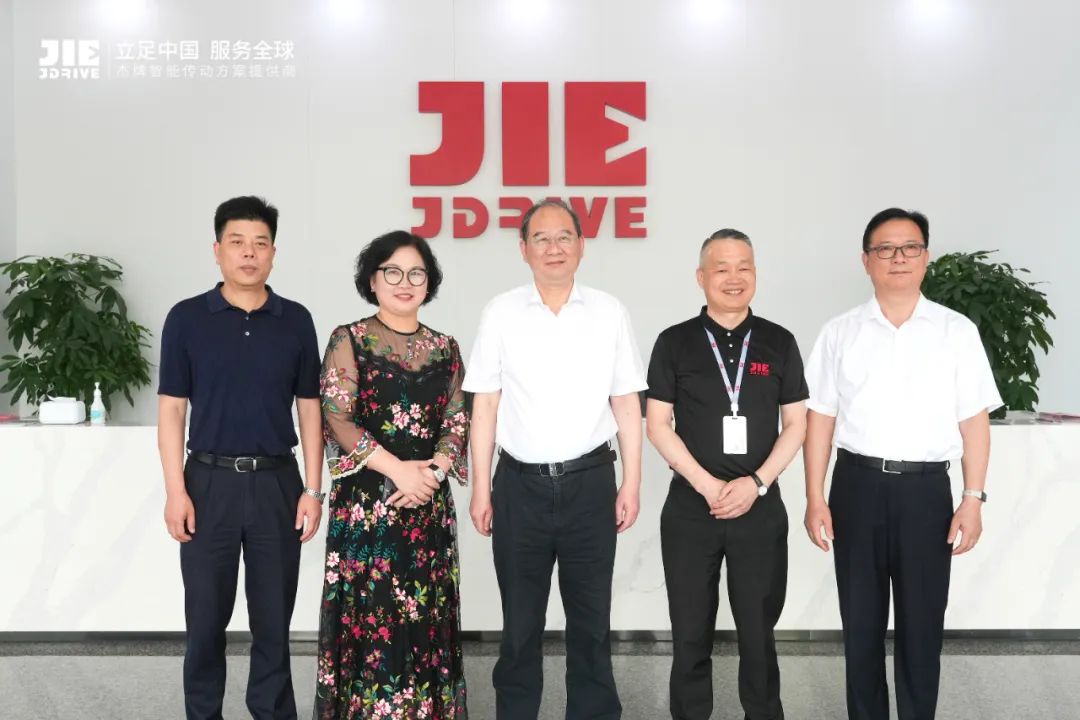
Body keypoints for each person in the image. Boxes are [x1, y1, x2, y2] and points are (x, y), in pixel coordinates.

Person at [802, 208, 1001, 720]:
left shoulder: (956, 332)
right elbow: (820, 419)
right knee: (860, 626)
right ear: (865, 260)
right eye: (885, 248)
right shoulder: (840, 332)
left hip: (925, 494)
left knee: (922, 625)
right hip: (856, 488)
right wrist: (815, 497)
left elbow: (974, 422)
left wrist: (973, 499)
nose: (898, 258)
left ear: (926, 257)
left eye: (910, 247)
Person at [464, 198, 647, 720]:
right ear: (523, 249)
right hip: (518, 487)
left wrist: (631, 483)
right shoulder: (500, 312)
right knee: (520, 625)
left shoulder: (609, 312)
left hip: (591, 482)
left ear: (581, 246)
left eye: (564, 236)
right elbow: (485, 406)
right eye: (540, 238)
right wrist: (481, 489)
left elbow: (626, 403)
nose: (553, 248)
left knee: (591, 622)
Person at [158, 195, 324, 720]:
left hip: (278, 483)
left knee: (273, 620)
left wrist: (312, 489)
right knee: (205, 620)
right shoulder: (187, 318)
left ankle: (272, 712)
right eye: (237, 242)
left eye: (260, 243)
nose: (249, 253)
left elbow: (310, 410)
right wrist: (176, 491)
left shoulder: (295, 320)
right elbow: (172, 411)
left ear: (273, 252)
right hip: (208, 483)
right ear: (218, 250)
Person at [646, 229, 808, 720]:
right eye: (722, 268)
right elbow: (657, 424)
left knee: (758, 633)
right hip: (691, 508)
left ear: (755, 274)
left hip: (759, 509)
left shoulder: (780, 341)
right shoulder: (673, 342)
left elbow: (796, 424)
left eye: (744, 267)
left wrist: (756, 484)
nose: (734, 278)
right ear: (701, 277)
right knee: (690, 632)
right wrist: (709, 486)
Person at [313, 230, 469, 719]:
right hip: (369, 508)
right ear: (372, 281)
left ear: (429, 283)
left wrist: (433, 473)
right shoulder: (349, 340)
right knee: (371, 618)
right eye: (393, 272)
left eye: (416, 273)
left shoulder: (446, 348)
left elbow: (458, 421)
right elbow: (337, 417)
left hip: (427, 504)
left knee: (425, 618)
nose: (405, 283)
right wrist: (399, 471)